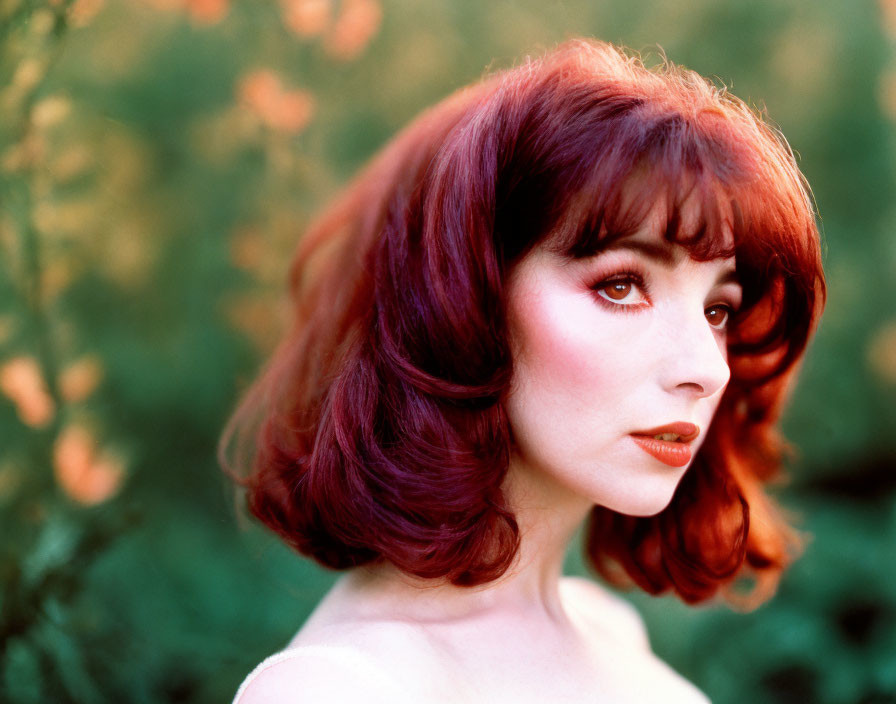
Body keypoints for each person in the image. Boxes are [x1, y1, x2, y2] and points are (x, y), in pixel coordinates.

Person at [221, 38, 825, 703]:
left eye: (718, 309)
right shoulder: (340, 689)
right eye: (622, 285)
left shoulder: (606, 627)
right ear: (463, 301)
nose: (706, 369)